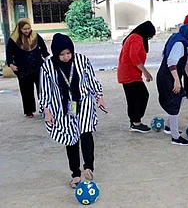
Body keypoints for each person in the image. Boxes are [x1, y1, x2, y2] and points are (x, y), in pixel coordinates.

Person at [39, 33, 107, 188]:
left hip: (84, 103)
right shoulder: (48, 66)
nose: (66, 57)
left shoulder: (82, 60)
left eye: (68, 53)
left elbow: (91, 79)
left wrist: (99, 97)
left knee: (86, 133)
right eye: (61, 54)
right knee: (71, 140)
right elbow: (45, 90)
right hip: (62, 107)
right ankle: (75, 174)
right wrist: (46, 111)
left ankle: (88, 167)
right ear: (55, 53)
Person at [156, 21, 188, 146]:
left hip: (166, 75)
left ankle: (168, 126)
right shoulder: (179, 44)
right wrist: (176, 80)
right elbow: (171, 62)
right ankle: (175, 137)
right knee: (174, 104)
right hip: (168, 77)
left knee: (181, 96)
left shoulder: (176, 37)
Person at [6, 18, 49, 118]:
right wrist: (11, 65)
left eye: (29, 28)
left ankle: (44, 109)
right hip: (22, 69)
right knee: (26, 91)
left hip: (38, 66)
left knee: (42, 89)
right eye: (24, 29)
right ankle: (29, 111)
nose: (27, 31)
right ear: (19, 28)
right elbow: (9, 53)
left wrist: (46, 58)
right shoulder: (14, 39)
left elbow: (43, 48)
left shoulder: (35, 36)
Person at [117, 21, 156, 133]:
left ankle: (134, 122)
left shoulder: (134, 37)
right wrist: (146, 72)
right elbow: (133, 56)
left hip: (127, 73)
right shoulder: (136, 38)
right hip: (130, 74)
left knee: (133, 98)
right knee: (143, 95)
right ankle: (136, 122)